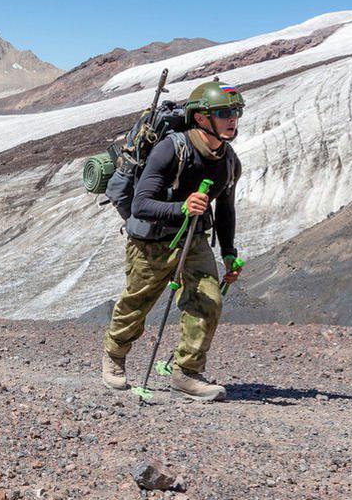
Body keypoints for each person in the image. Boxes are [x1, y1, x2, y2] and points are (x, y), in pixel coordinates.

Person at [101, 80, 245, 402]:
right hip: (150, 242)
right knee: (136, 305)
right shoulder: (171, 149)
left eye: (235, 112)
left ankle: (187, 374)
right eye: (224, 112)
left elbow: (225, 210)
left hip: (193, 240)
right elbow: (140, 204)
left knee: (209, 299)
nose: (232, 119)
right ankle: (114, 356)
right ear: (201, 118)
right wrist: (180, 207)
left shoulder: (229, 161)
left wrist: (229, 253)